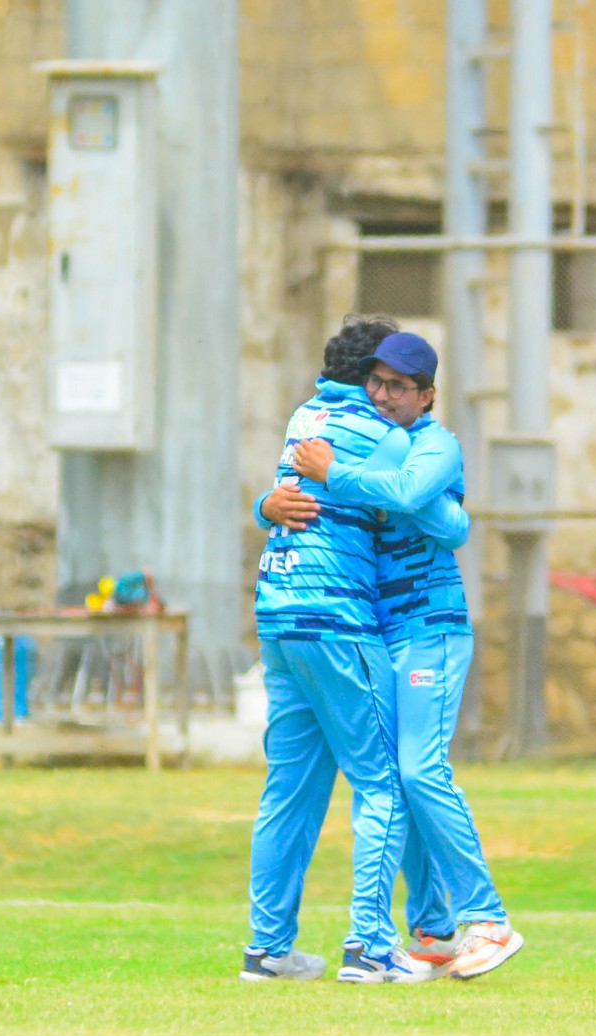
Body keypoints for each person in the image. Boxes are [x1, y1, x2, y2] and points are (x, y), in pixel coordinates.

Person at [269, 331, 524, 980]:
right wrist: (267, 504)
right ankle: (434, 929)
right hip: (380, 628)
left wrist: (338, 475)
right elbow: (307, 498)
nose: (384, 395)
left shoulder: (435, 443)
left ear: (427, 395)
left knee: (418, 770)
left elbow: (432, 510)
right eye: (377, 382)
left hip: (430, 626)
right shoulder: (372, 439)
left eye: (399, 387)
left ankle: (489, 918)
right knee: (399, 777)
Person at [242, 316, 465, 985]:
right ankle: (370, 944)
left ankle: (267, 949)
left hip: (277, 613)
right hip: (338, 619)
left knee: (288, 792)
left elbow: (290, 494)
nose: (384, 392)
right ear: (370, 378)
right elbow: (444, 519)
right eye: (381, 379)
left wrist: (264, 506)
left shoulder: (301, 418)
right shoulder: (387, 436)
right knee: (386, 783)